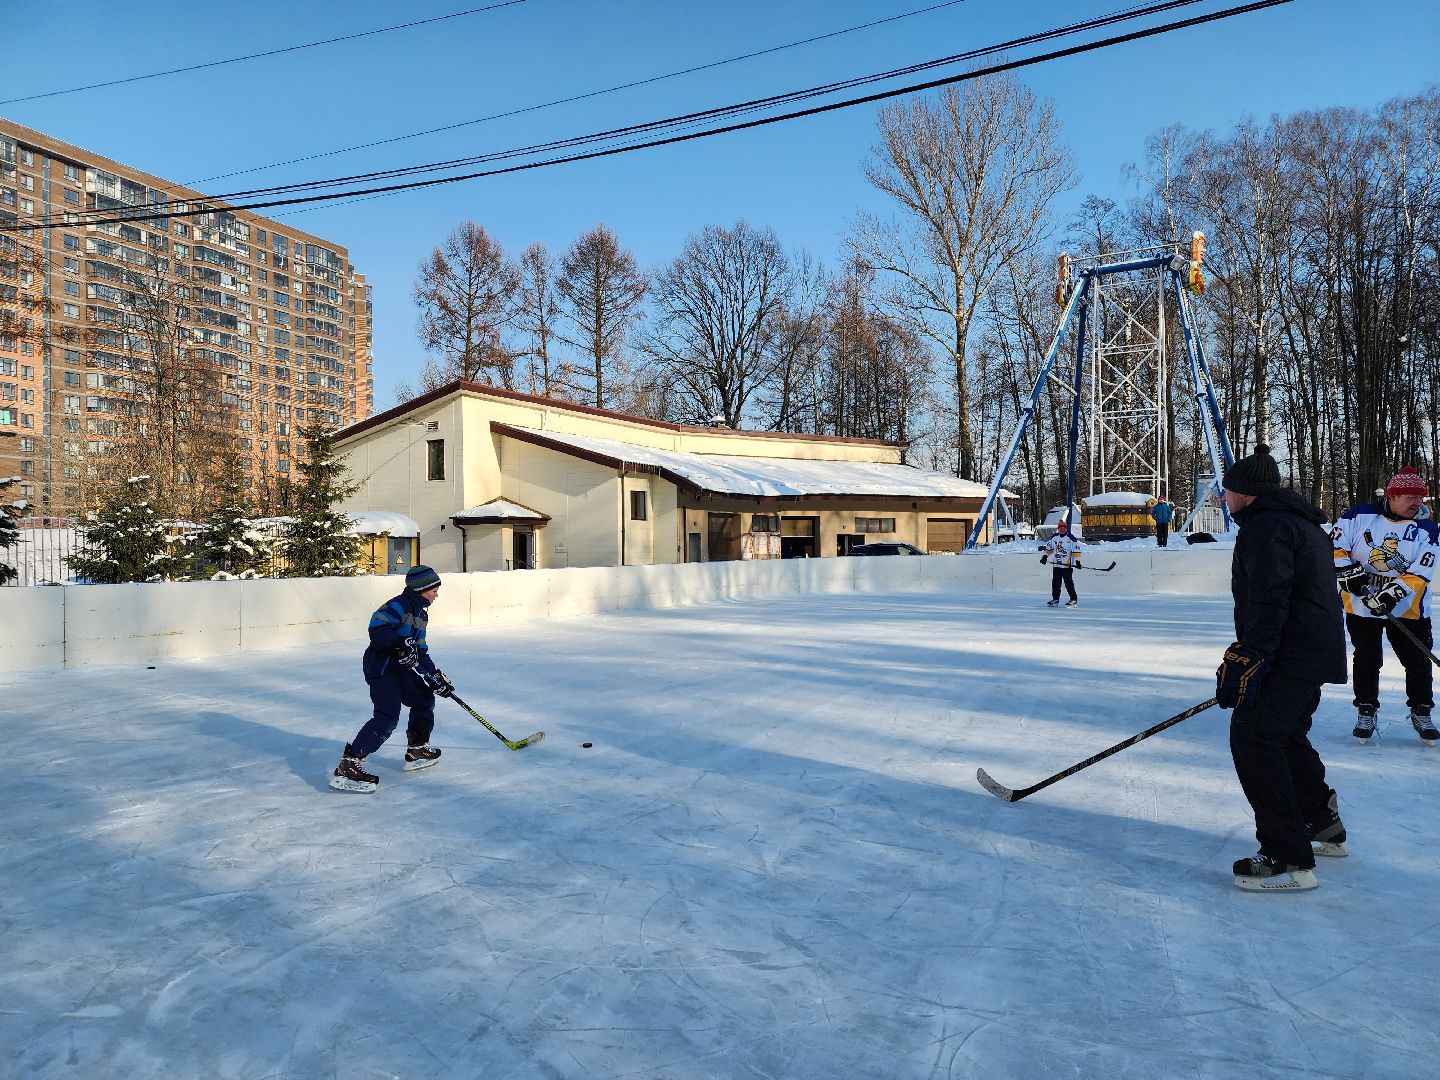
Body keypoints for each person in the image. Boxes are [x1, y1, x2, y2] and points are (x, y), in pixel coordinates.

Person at [1217, 444, 1348, 891]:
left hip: (1289, 654)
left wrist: (1251, 656)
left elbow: (1270, 596)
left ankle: (1287, 858)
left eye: (1228, 490)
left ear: (1245, 493)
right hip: (1309, 653)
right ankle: (1320, 824)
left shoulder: (1266, 526)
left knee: (1254, 739)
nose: (1224, 497)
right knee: (1287, 736)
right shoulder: (1299, 522)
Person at [1331, 467, 1440, 742]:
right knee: (1367, 658)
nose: (1416, 502)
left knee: (1417, 659)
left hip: (1410, 608)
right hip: (1360, 604)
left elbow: (1420, 571)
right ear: (1391, 496)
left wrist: (1393, 593)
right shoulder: (1358, 516)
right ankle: (1366, 708)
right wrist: (1347, 573)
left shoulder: (1428, 529)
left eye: (1420, 497)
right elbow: (1333, 546)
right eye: (1408, 496)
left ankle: (1421, 709)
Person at [331, 565, 456, 793]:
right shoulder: (399, 604)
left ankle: (417, 748)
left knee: (423, 698)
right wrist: (398, 646)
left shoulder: (421, 614)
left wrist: (434, 676)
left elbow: (419, 650)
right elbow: (377, 628)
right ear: (422, 588)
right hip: (381, 667)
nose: (437, 594)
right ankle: (349, 763)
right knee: (387, 716)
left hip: (400, 669)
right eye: (434, 590)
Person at [1039, 520, 1082, 607]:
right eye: (1060, 528)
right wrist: (1044, 557)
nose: (1062, 529)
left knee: (1068, 583)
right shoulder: (1054, 537)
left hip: (1067, 565)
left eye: (1064, 527)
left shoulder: (1071, 538)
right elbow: (1049, 548)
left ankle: (1073, 599)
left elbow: (1076, 550)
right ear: (1058, 529)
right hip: (1057, 564)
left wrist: (1077, 562)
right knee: (1055, 583)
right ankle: (1055, 599)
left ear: (1066, 528)